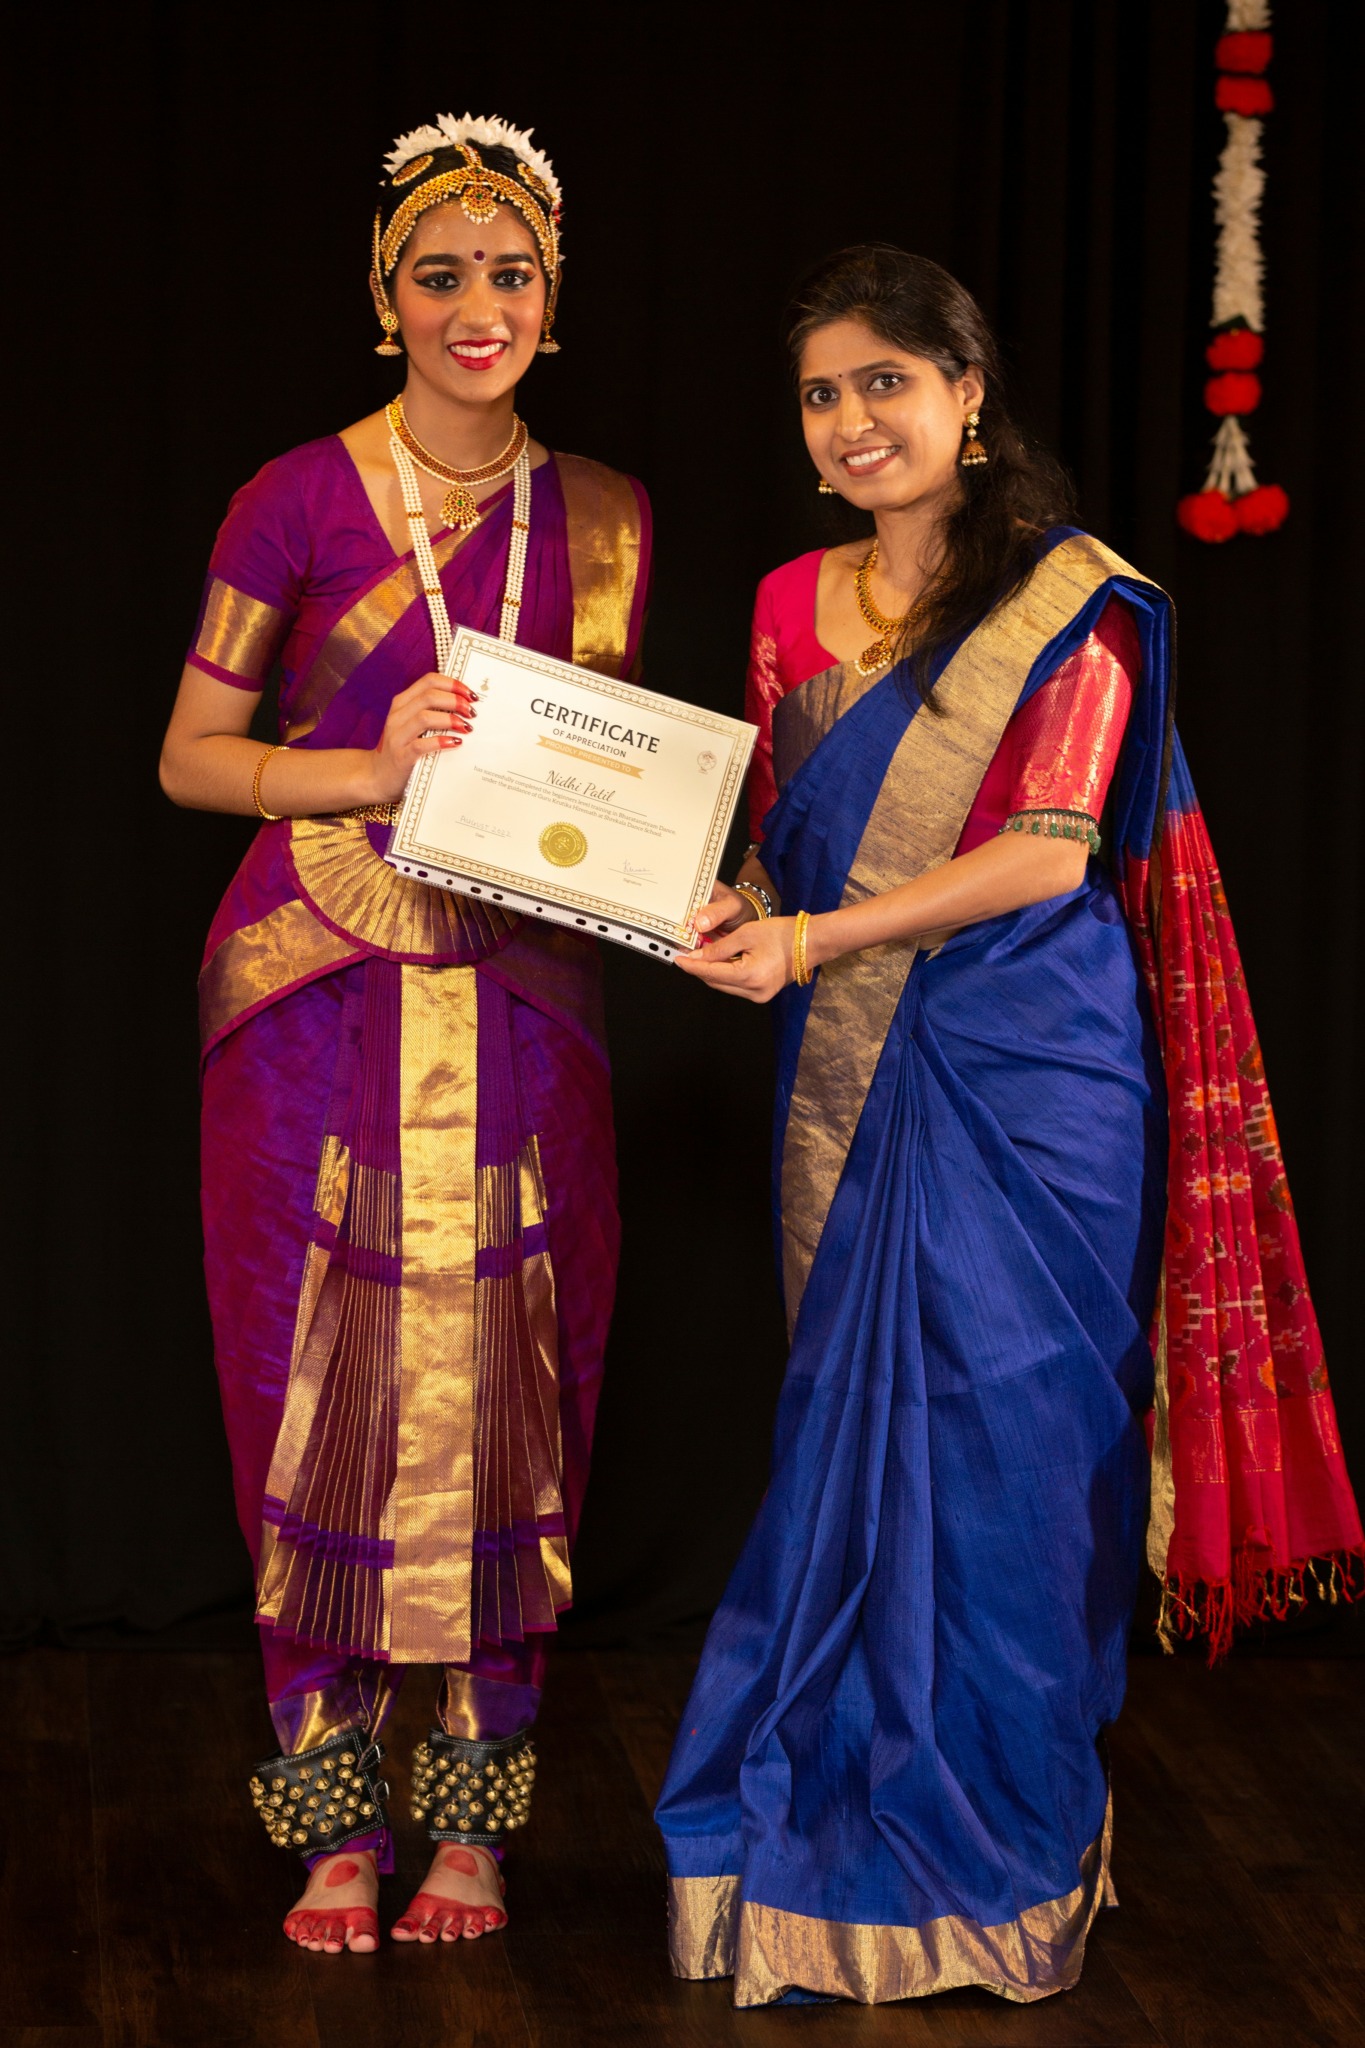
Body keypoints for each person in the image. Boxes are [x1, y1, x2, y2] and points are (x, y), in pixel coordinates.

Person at [654, 245, 1361, 2007]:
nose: (852, 419)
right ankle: (811, 1845)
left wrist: (807, 943)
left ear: (966, 396)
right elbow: (785, 840)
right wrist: (735, 910)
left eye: (886, 381)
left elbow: (1046, 856)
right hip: (845, 1062)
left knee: (1008, 1465)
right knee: (848, 1454)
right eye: (822, 394)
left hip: (1030, 1074)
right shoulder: (786, 601)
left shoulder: (1072, 601)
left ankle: (997, 1857)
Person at [159, 112, 650, 1955]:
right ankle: (332, 1824)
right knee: (306, 1388)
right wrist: (368, 768)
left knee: (524, 1382)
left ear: (551, 298)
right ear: (388, 299)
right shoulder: (290, 499)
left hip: (523, 980)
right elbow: (189, 756)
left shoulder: (608, 517)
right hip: (310, 980)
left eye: (509, 274)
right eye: (440, 276)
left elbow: (605, 785)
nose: (477, 306)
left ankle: (476, 1823)